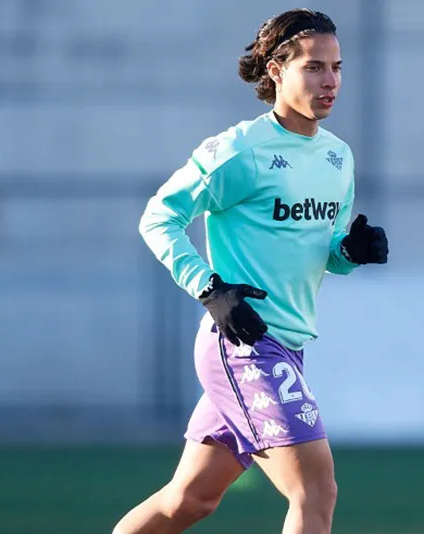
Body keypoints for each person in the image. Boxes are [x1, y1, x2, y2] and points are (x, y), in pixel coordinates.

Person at [113, 8, 389, 534]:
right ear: (276, 70)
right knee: (315, 491)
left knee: (188, 502)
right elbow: (159, 218)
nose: (329, 81)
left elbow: (320, 253)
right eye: (313, 67)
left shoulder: (337, 157)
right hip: (242, 345)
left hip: (287, 344)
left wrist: (350, 252)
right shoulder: (240, 150)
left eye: (336, 67)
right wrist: (209, 288)